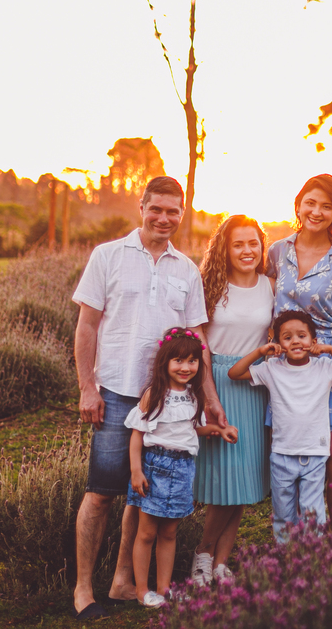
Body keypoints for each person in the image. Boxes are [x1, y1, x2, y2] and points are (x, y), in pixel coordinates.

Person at [70, 176, 226, 620]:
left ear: (182, 213)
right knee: (101, 493)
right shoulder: (108, 256)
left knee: (143, 497)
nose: (164, 218)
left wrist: (208, 396)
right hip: (118, 392)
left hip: (168, 400)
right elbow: (86, 325)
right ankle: (83, 590)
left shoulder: (186, 269)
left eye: (172, 211)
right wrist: (87, 387)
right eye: (155, 209)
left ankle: (122, 581)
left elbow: (197, 338)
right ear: (141, 207)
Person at [265, 174, 332, 516]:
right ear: (298, 205)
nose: (316, 211)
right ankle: (299, 545)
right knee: (293, 463)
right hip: (288, 369)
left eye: (326, 206)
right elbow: (263, 307)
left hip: (331, 366)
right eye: (310, 203)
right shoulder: (278, 252)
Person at [228, 310, 332, 538]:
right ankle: (287, 560)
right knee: (283, 516)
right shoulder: (272, 369)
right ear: (279, 343)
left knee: (313, 514)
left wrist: (330, 350)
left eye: (302, 336)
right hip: (282, 454)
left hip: (315, 454)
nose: (295, 342)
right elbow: (235, 373)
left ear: (313, 341)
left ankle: (312, 560)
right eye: (287, 337)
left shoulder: (324, 367)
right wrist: (261, 352)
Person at [126, 328, 237, 607]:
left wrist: (216, 430)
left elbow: (191, 430)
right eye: (178, 361)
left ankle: (164, 588)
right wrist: (136, 471)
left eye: (192, 361)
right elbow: (137, 435)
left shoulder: (194, 396)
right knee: (147, 532)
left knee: (169, 532)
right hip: (154, 467)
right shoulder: (154, 394)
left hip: (184, 469)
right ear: (165, 363)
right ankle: (142, 590)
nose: (185, 367)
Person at [190, 215, 274, 585]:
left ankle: (222, 563)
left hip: (254, 384)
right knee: (223, 477)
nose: (246, 251)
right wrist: (208, 390)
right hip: (217, 383)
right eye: (238, 244)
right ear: (225, 248)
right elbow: (200, 343)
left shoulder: (271, 286)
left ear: (261, 246)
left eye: (252, 243)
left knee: (243, 478)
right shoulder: (211, 285)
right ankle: (202, 555)